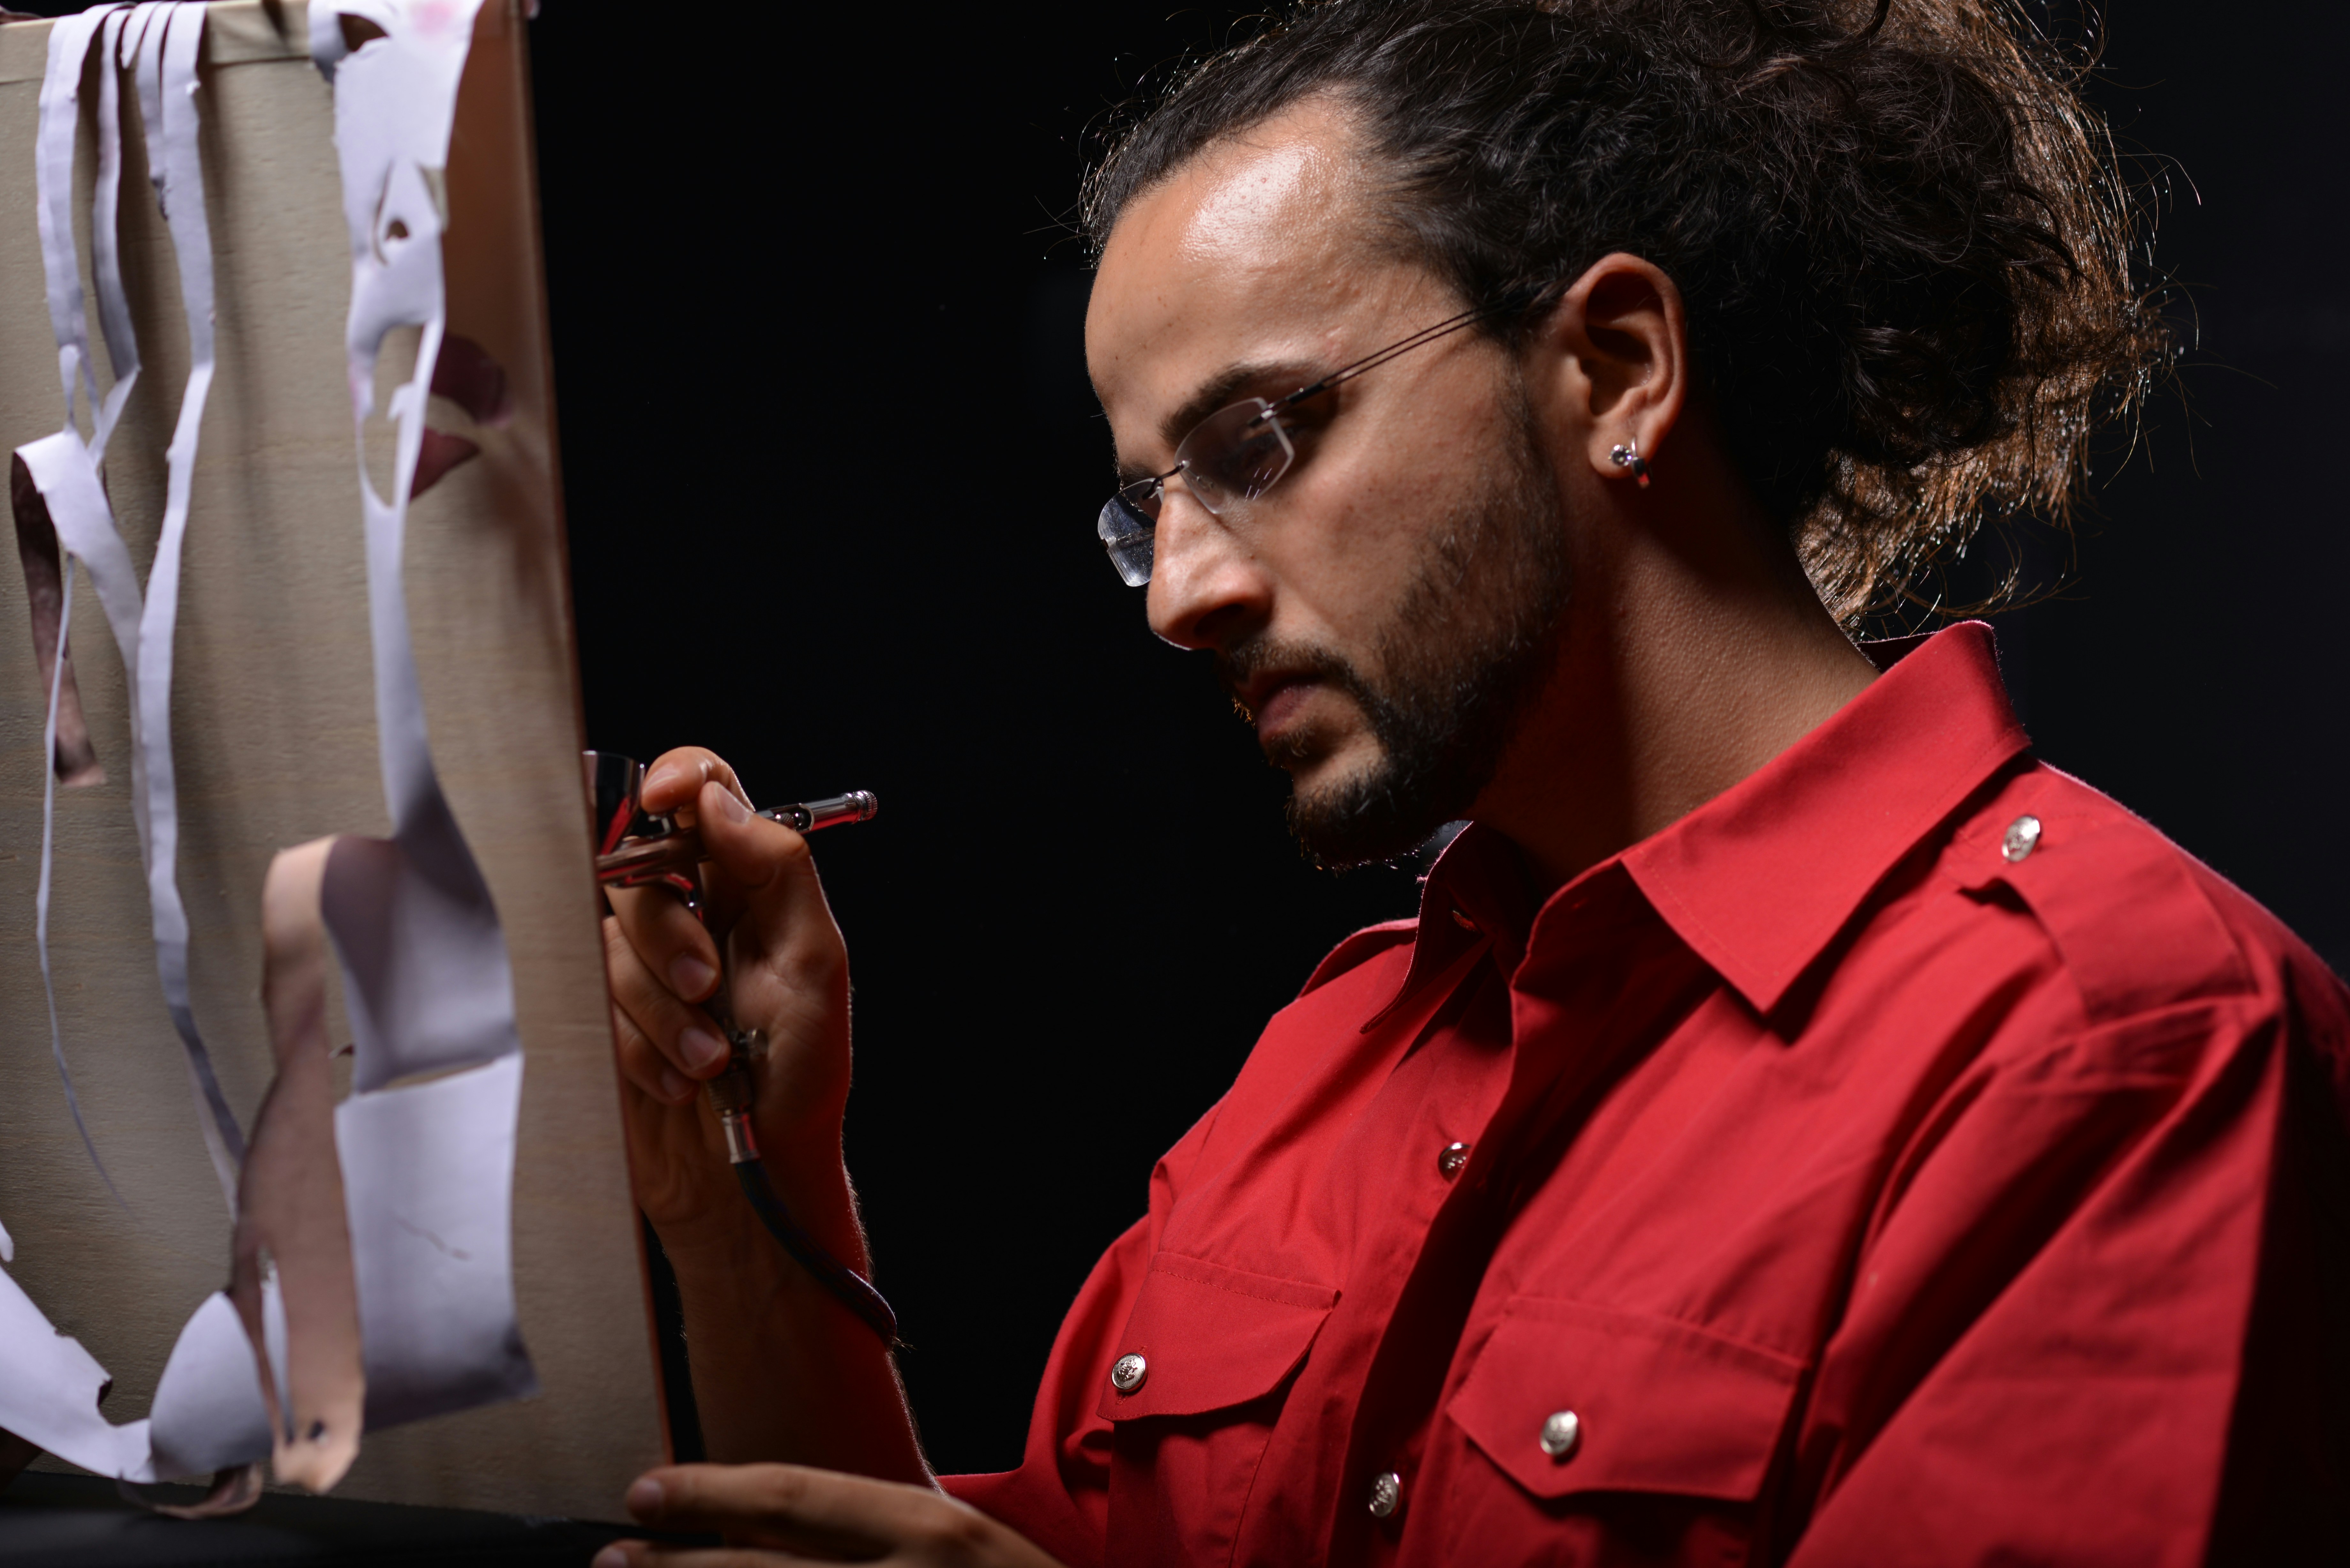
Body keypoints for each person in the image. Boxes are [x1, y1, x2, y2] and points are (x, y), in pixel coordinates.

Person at [591, 1, 2348, 1563]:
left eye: (1256, 444)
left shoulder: (2118, 1044)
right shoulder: (1335, 1066)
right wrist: (744, 1183)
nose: (1188, 591)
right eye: (1150, 513)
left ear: (1616, 370)